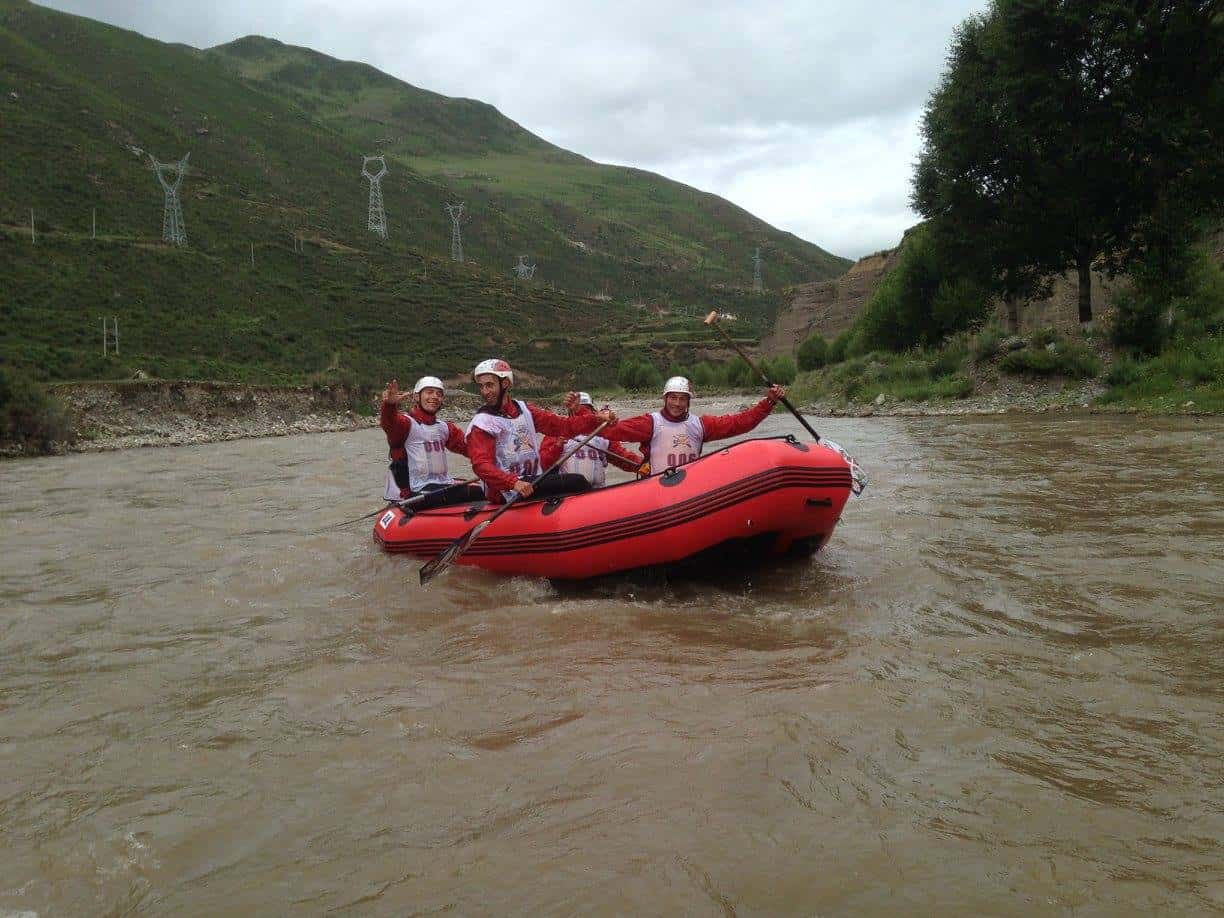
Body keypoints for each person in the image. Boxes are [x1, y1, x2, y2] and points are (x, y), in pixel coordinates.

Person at [465, 360, 616, 504]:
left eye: (489, 385)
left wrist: (596, 419)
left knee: (563, 478)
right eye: (481, 386)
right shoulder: (481, 424)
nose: (485, 391)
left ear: (505, 383)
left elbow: (562, 426)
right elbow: (481, 465)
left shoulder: (526, 411)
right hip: (506, 491)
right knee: (577, 481)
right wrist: (514, 482)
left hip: (532, 481)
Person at [602, 375, 785, 473]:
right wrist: (601, 420)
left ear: (688, 401)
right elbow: (616, 430)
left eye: (682, 399)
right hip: (656, 489)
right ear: (665, 399)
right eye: (673, 398)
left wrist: (768, 402)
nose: (677, 403)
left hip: (689, 491)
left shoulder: (700, 424)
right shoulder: (649, 423)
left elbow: (739, 423)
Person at [380, 376, 484, 510]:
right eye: (429, 392)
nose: (435, 396)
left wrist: (492, 459)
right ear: (417, 397)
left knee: (484, 491)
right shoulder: (405, 424)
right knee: (465, 494)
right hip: (416, 490)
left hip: (442, 484)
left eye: (439, 394)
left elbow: (470, 448)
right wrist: (389, 406)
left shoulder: (445, 427)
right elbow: (389, 423)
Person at [539, 392, 646, 488]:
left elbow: (623, 458)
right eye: (576, 410)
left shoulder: (603, 433)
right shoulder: (557, 432)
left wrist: (644, 465)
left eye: (585, 409)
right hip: (568, 494)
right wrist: (557, 447)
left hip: (596, 492)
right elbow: (544, 464)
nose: (582, 415)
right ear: (570, 412)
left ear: (592, 411)